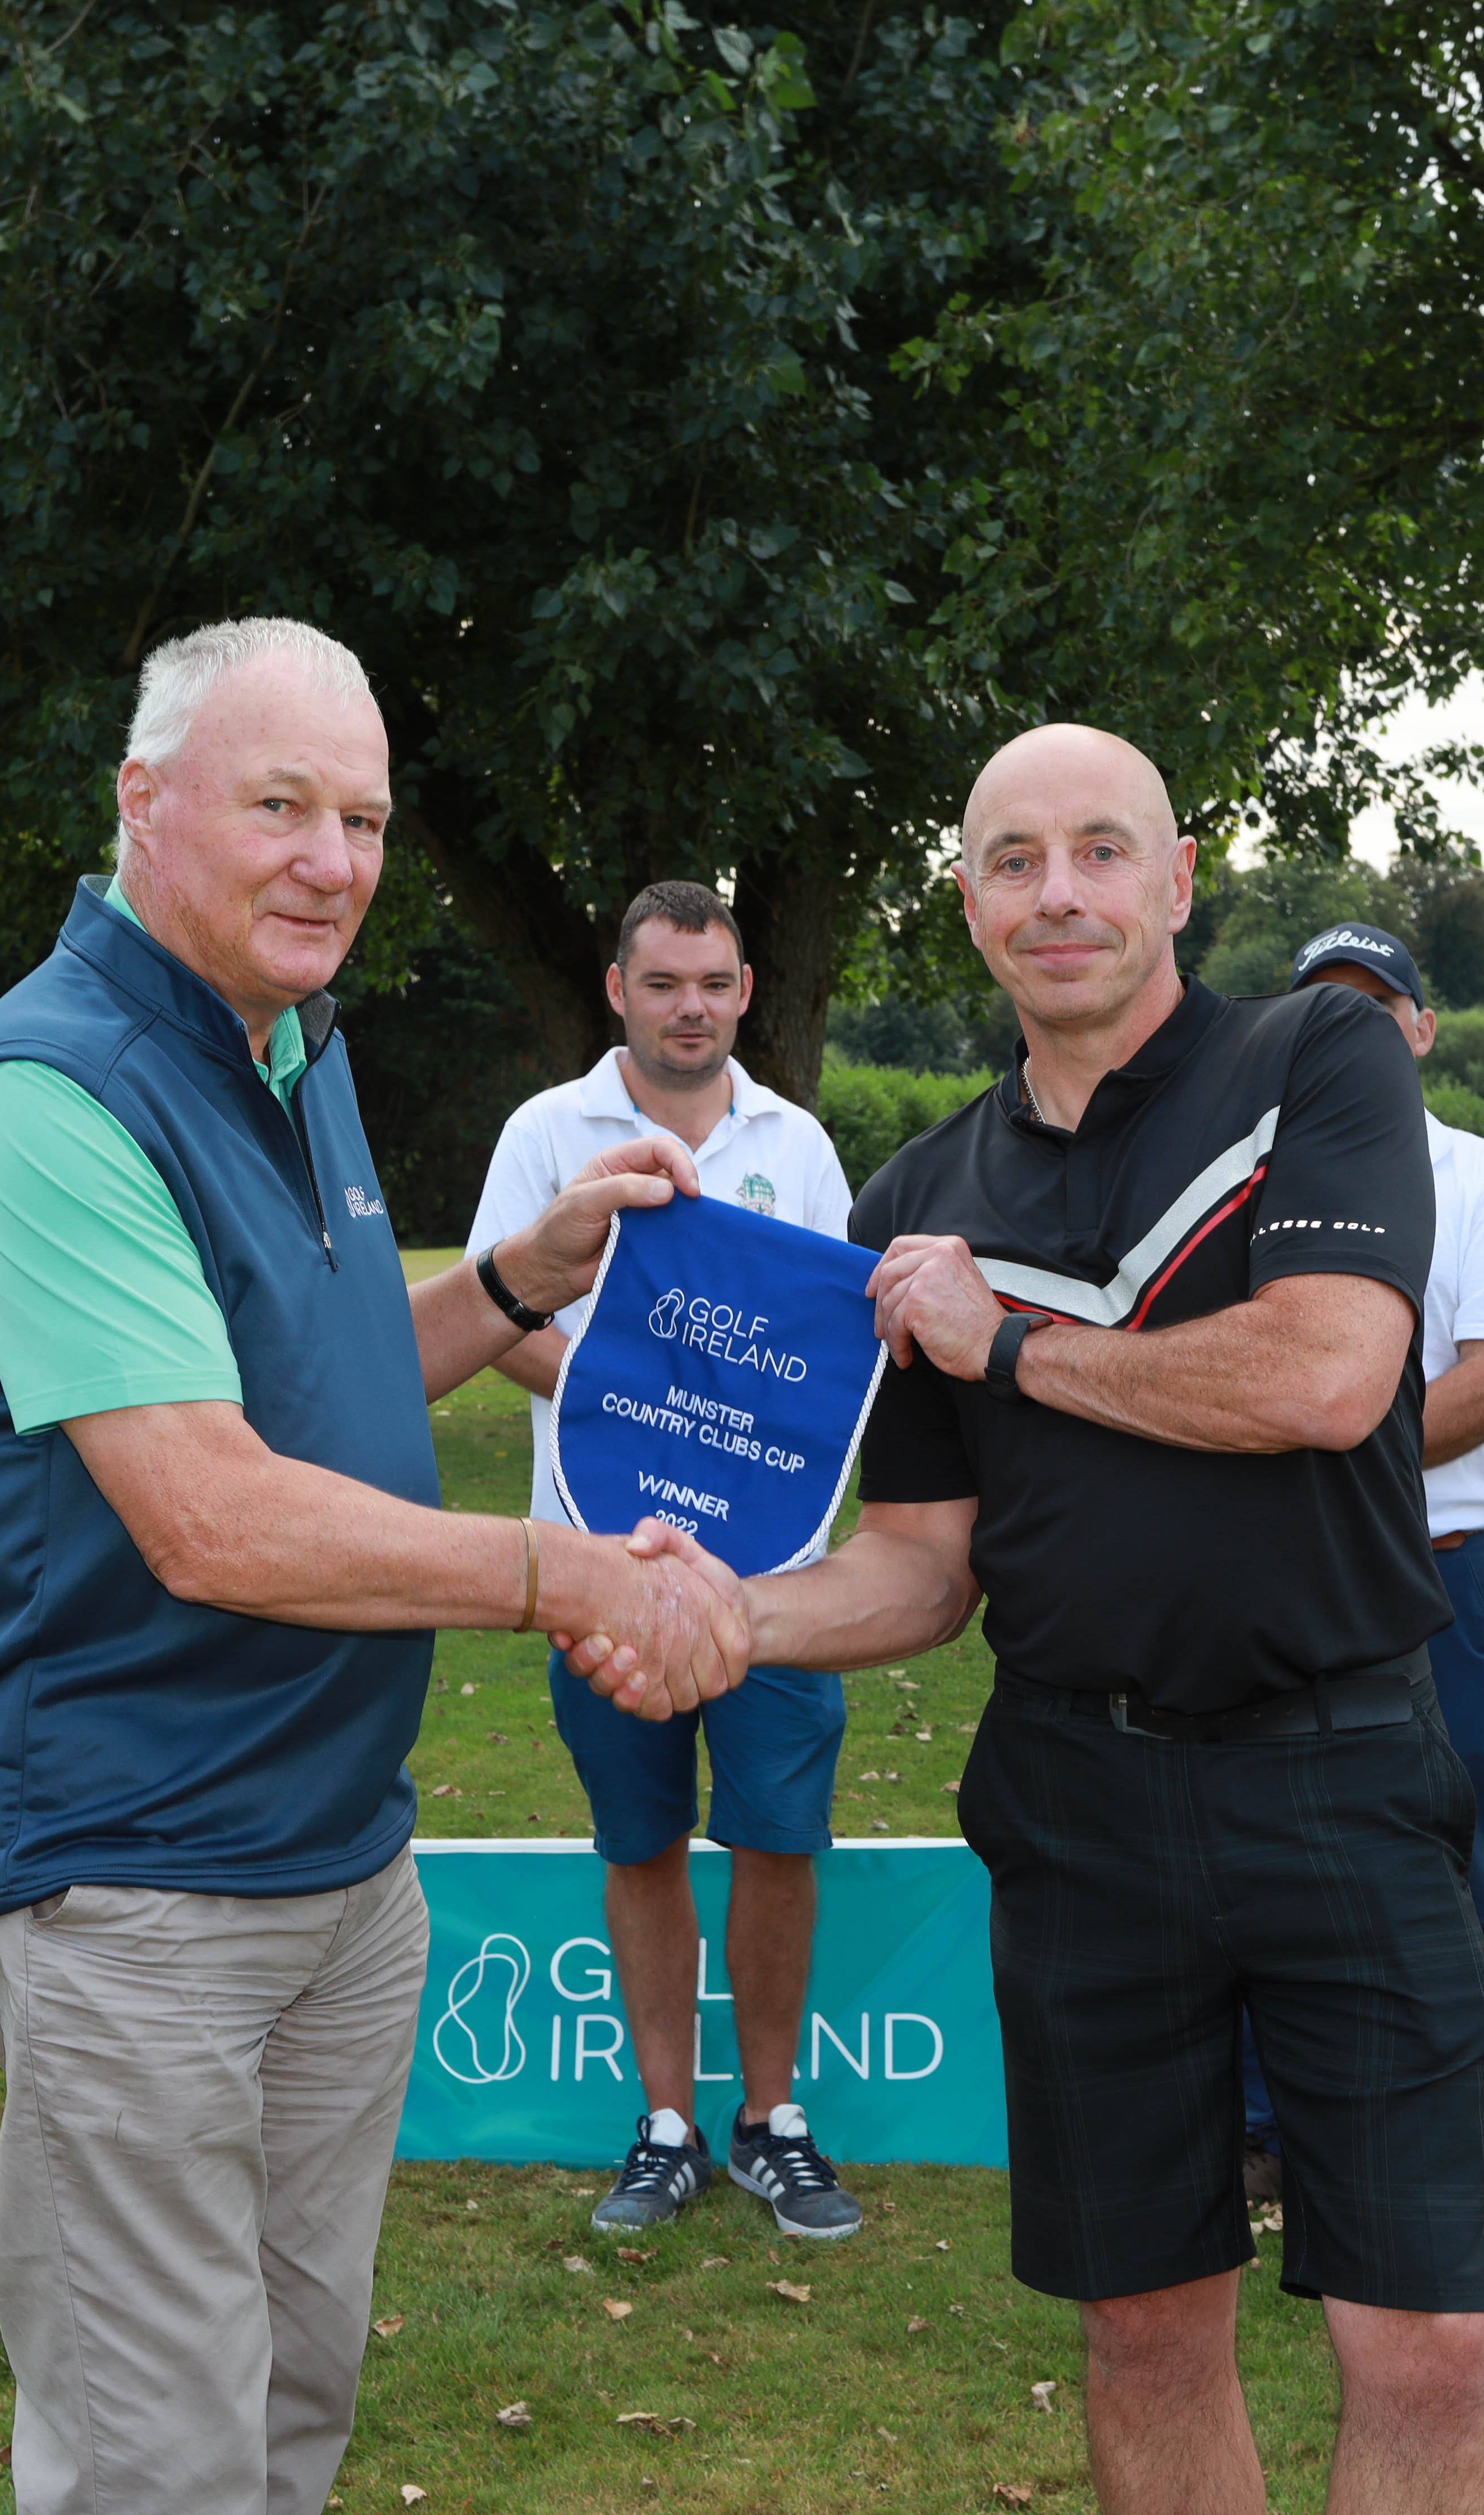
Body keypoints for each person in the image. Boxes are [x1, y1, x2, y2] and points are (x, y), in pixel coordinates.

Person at [0, 615, 746, 2515]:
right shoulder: (48, 1097)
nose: (332, 863)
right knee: (158, 2459)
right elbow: (210, 1513)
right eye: (281, 807)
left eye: (361, 820)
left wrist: (514, 1279)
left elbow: (315, 1387)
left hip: (339, 1859)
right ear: (145, 800)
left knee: (288, 2411)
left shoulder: (290, 1041)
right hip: (129, 1880)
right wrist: (569, 1577)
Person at [606, 723, 1484, 2514]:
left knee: (1424, 2345)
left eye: (1102, 850)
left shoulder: (1314, 1059)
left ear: (1178, 881)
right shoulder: (920, 1201)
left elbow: (1326, 1376)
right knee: (1146, 2330)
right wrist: (721, 1618)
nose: (1061, 893)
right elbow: (925, 1569)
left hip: (1341, 1768)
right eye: (1014, 861)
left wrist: (1007, 1342)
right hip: (1081, 1803)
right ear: (969, 906)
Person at [466, 879, 864, 2242]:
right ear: (618, 991)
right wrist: (630, 1405)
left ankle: (772, 2120)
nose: (690, 1007)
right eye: (663, 983)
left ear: (744, 991)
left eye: (713, 983)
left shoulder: (797, 1143)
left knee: (776, 1838)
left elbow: (820, 1350)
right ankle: (668, 2125)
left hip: (769, 1574)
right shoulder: (547, 1131)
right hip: (601, 1563)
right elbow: (497, 1309)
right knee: (639, 1841)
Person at [1286, 920, 1484, 2262]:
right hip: (1274, 1575)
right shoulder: (1246, 1173)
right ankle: (1266, 2129)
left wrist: (1330, 1445)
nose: (1353, 1028)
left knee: (1456, 1864)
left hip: (1433, 1572)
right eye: (1325, 1009)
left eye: (1377, 1006)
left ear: (1421, 1026)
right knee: (1265, 1855)